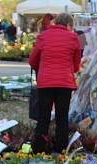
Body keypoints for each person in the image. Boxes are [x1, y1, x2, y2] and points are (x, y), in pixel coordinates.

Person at [28, 12, 82, 154]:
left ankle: (39, 149)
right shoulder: (73, 38)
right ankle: (61, 150)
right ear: (69, 25)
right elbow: (76, 64)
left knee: (43, 117)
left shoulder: (43, 36)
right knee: (62, 118)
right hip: (64, 83)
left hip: (45, 83)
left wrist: (42, 68)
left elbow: (32, 59)